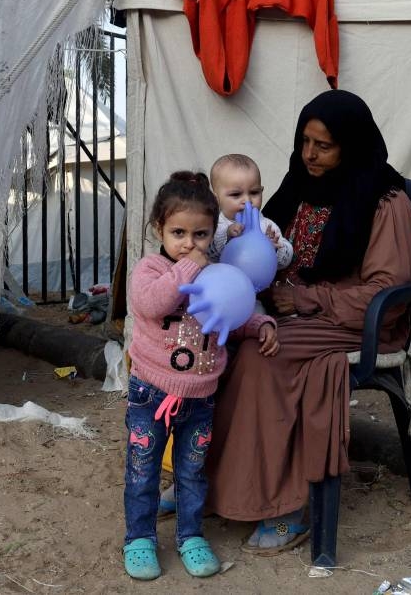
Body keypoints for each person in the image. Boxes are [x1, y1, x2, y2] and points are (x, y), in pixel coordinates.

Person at [205, 90, 411, 554]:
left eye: (323, 145)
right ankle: (206, 480)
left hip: (360, 321)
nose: (308, 154)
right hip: (294, 306)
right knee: (215, 343)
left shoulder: (387, 200)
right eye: (304, 141)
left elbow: (390, 291)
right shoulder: (299, 185)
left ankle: (284, 510)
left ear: (351, 144)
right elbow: (272, 250)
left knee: (265, 355)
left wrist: (305, 298)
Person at [123, 171, 279, 580]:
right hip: (151, 392)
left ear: (215, 233)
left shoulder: (215, 272)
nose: (189, 244)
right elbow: (153, 304)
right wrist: (188, 268)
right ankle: (139, 538)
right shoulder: (151, 270)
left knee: (192, 472)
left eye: (201, 235)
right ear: (159, 228)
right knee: (144, 469)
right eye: (178, 233)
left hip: (200, 397)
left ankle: (191, 536)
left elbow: (229, 315)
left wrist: (259, 325)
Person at [207, 153, 293, 269]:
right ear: (216, 199)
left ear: (261, 191)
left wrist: (273, 249)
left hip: (257, 284)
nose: (247, 201)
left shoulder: (266, 226)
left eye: (254, 193)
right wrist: (226, 236)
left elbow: (285, 262)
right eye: (236, 194)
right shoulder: (214, 225)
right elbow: (208, 254)